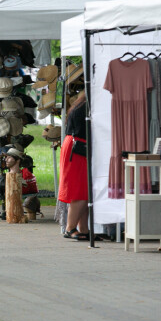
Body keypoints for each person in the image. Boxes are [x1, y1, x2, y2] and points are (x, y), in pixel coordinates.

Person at [58, 92, 89, 240]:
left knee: (82, 189)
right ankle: (70, 228)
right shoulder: (87, 106)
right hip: (78, 147)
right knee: (80, 189)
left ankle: (83, 228)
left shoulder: (80, 104)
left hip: (73, 145)